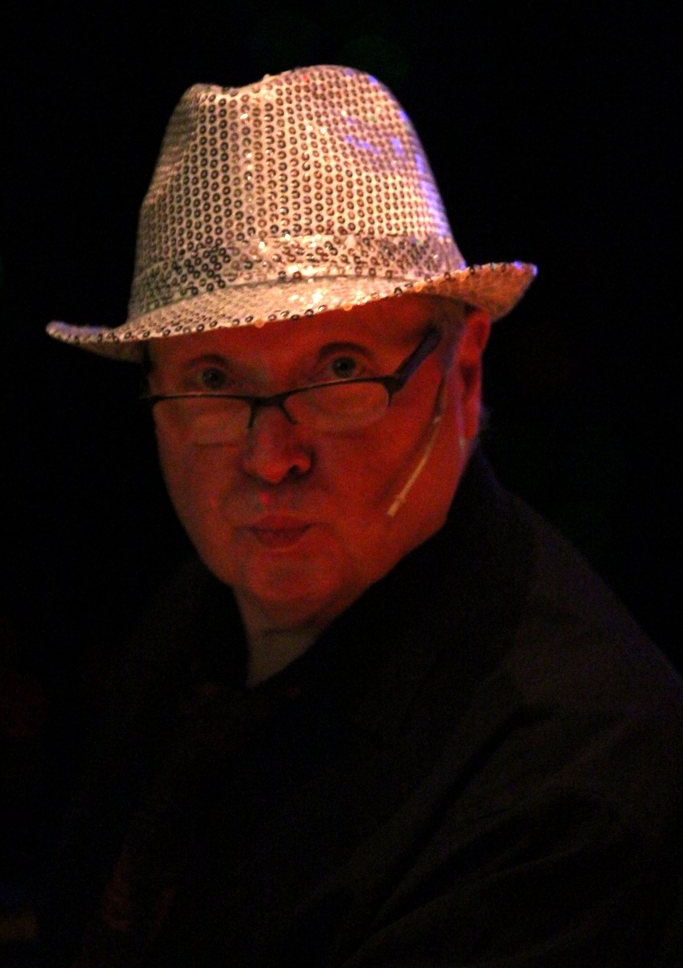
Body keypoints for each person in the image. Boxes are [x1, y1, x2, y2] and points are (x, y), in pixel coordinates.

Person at [39, 65, 683, 966]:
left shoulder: (568, 766)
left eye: (339, 369)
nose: (270, 457)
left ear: (463, 370)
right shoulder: (194, 616)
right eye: (212, 380)